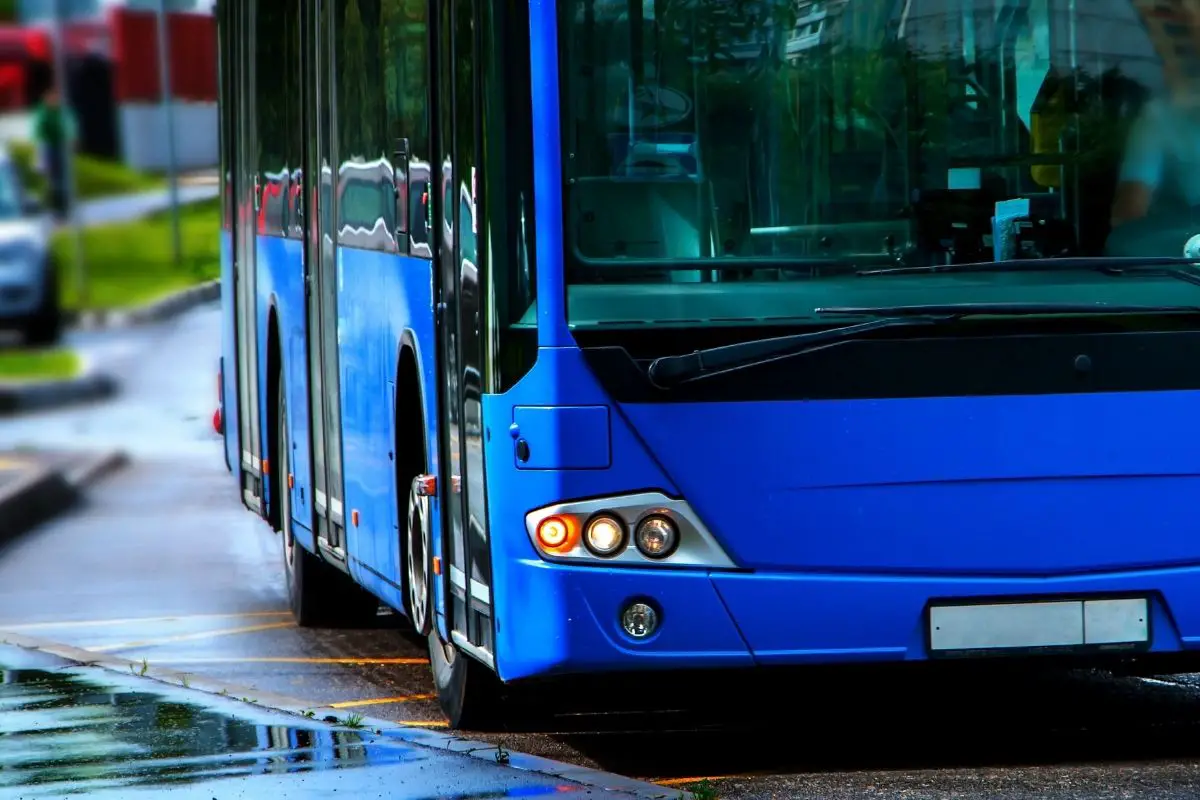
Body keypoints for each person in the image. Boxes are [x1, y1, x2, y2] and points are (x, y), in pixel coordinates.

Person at [31, 86, 77, 220]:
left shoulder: (62, 111)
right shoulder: (42, 112)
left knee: (64, 181)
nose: (53, 100)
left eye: (55, 97)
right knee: (53, 182)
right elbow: (38, 132)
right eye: (51, 97)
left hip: (61, 147)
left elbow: (70, 124)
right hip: (49, 148)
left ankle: (65, 210)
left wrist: (71, 137)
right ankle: (55, 211)